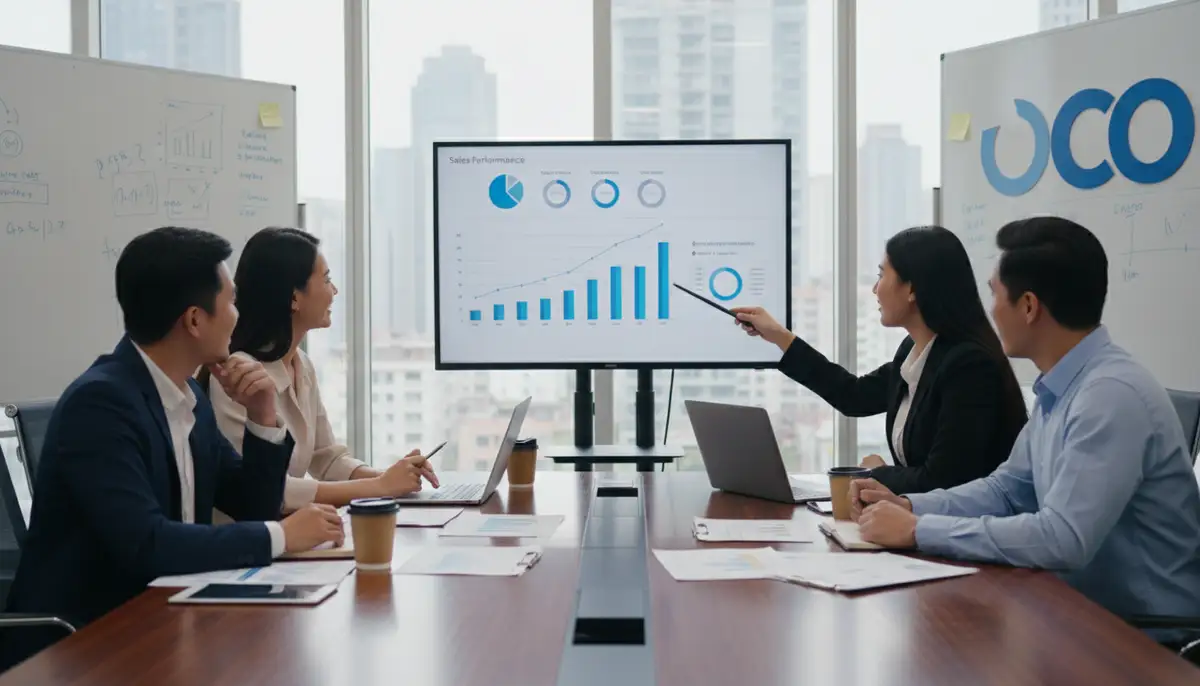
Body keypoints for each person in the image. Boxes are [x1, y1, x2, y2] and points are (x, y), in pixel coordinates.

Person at [1, 227, 345, 669]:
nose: (239, 317)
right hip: (84, 647)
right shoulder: (102, 404)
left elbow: (251, 503)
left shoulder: (187, 398)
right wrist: (282, 535)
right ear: (195, 320)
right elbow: (148, 543)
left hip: (168, 622)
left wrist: (263, 415)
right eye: (232, 302)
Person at [851, 216, 1200, 642]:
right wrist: (913, 507)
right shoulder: (1064, 387)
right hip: (1072, 611)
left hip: (1142, 637)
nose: (990, 310)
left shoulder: (1109, 396)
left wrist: (920, 530)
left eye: (995, 294)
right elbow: (1008, 490)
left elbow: (1063, 538)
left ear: (1029, 307)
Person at [733, 225, 1027, 495]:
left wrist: (878, 473)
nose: (875, 289)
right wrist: (780, 337)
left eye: (881, 275)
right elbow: (854, 396)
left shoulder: (969, 366)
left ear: (911, 289)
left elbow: (944, 481)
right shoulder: (915, 350)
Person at [205, 227, 437, 511]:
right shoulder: (237, 376)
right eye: (326, 280)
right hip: (250, 542)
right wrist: (379, 487)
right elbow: (262, 487)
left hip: (294, 537)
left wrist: (391, 476)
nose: (334, 290)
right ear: (294, 297)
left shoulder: (301, 364)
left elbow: (326, 458)